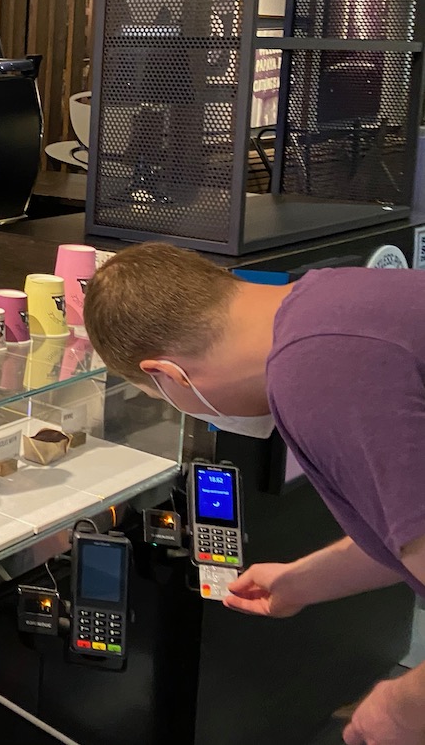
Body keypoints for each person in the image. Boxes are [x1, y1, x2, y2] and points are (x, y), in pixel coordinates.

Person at [83, 243, 425, 745]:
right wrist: (305, 581)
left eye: (163, 398)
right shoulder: (330, 299)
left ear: (167, 374)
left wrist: (404, 705)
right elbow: (409, 522)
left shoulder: (315, 372)